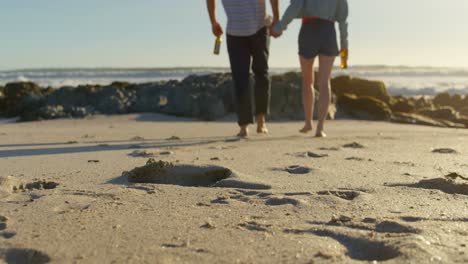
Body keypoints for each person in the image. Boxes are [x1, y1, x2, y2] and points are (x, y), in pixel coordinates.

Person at [271, 0, 348, 137]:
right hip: (328, 31)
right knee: (325, 83)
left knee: (308, 81)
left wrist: (279, 27)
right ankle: (320, 128)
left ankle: (308, 123)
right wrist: (344, 47)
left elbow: (295, 7)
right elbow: (342, 19)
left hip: (309, 29)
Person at [206, 0, 280, 137]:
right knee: (240, 78)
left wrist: (276, 17)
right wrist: (213, 22)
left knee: (261, 73)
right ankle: (244, 125)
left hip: (260, 28)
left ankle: (261, 120)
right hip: (235, 33)